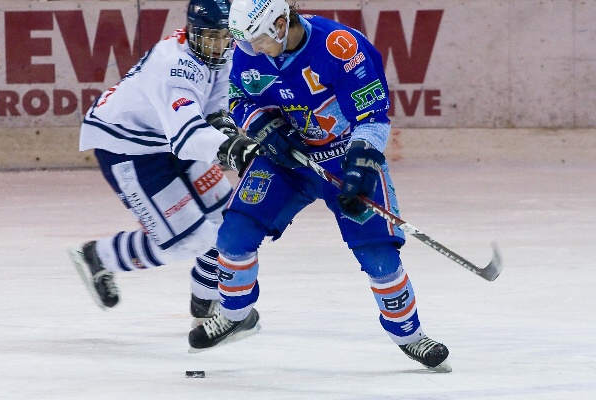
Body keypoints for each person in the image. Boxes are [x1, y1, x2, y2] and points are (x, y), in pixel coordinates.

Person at [188, 0, 451, 371]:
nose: (252, 49)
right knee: (234, 234)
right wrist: (263, 126)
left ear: (280, 24)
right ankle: (235, 314)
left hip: (345, 158)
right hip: (286, 159)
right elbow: (239, 99)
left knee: (378, 255)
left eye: (259, 39)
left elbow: (373, 118)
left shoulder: (342, 47)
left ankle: (410, 335)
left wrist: (360, 167)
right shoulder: (249, 49)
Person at [69, 0, 263, 346]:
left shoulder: (219, 51)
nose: (219, 45)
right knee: (188, 240)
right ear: (191, 30)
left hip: (167, 138)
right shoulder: (174, 66)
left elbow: (214, 108)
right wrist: (232, 149)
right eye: (211, 37)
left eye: (225, 37)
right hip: (128, 147)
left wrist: (227, 133)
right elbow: (188, 136)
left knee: (228, 217)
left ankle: (205, 300)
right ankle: (99, 256)